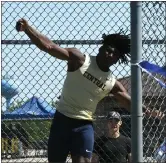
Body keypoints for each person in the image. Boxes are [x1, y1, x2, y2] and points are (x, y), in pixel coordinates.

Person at [16, 18, 164, 163]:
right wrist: (28, 29)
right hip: (62, 120)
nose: (110, 55)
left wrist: (151, 111)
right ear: (101, 48)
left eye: (115, 55)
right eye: (108, 50)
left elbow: (130, 103)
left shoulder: (112, 83)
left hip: (83, 125)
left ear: (117, 60)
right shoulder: (79, 59)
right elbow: (49, 46)